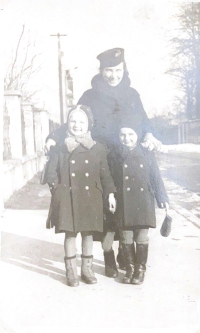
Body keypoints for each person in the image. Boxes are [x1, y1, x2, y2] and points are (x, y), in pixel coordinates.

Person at [45, 48, 163, 274]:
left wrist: (149, 134)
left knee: (126, 208)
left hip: (125, 160)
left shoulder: (132, 95)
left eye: (118, 70)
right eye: (109, 70)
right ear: (101, 71)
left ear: (124, 70)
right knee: (106, 211)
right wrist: (53, 137)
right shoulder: (90, 96)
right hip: (99, 160)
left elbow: (145, 122)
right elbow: (75, 120)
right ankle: (108, 255)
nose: (113, 75)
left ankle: (123, 254)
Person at [44, 105, 116, 287]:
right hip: (67, 196)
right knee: (70, 233)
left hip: (91, 196)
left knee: (88, 233)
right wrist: (57, 191)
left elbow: (105, 174)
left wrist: (110, 194)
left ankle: (87, 269)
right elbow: (51, 172)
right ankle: (71, 271)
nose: (77, 125)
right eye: (73, 121)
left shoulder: (98, 148)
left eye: (82, 121)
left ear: (89, 125)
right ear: (67, 124)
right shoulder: (60, 147)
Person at [105, 123, 169, 285]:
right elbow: (109, 178)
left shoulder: (147, 154)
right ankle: (129, 268)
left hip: (143, 201)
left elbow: (156, 178)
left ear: (138, 135)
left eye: (131, 134)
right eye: (122, 135)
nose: (127, 138)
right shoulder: (114, 155)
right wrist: (110, 195)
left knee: (141, 236)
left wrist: (163, 199)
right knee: (125, 236)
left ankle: (140, 269)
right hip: (123, 202)